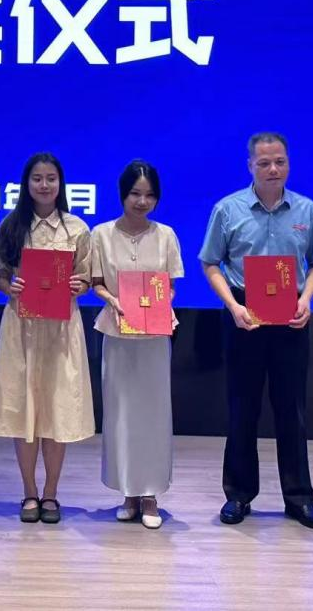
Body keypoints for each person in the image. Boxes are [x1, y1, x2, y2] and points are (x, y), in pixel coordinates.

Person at [200, 132, 313, 529]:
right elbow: (211, 263)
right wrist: (234, 306)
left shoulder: (307, 209)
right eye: (264, 163)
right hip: (245, 314)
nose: (273, 169)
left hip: (291, 315)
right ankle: (239, 495)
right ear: (250, 166)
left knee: (292, 409)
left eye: (280, 162)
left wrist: (306, 299)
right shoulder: (228, 209)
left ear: (288, 163)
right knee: (243, 408)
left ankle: (299, 498)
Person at [0, 152, 93, 524]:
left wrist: (79, 285)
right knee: (25, 409)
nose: (44, 185)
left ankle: (51, 494)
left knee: (57, 409)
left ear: (60, 184)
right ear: (26, 184)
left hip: (61, 328)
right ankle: (29, 492)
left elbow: (86, 278)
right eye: (37, 178)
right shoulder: (11, 226)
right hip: (22, 325)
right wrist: (8, 286)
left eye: (51, 178)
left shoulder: (77, 228)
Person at [89, 160, 183, 529]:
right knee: (121, 414)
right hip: (117, 334)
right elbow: (96, 282)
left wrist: (160, 302)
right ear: (122, 195)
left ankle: (151, 494)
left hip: (154, 335)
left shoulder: (166, 235)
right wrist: (112, 300)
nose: (142, 202)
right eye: (135, 194)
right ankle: (128, 493)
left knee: (154, 414)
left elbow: (170, 285)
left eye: (149, 195)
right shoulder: (101, 234)